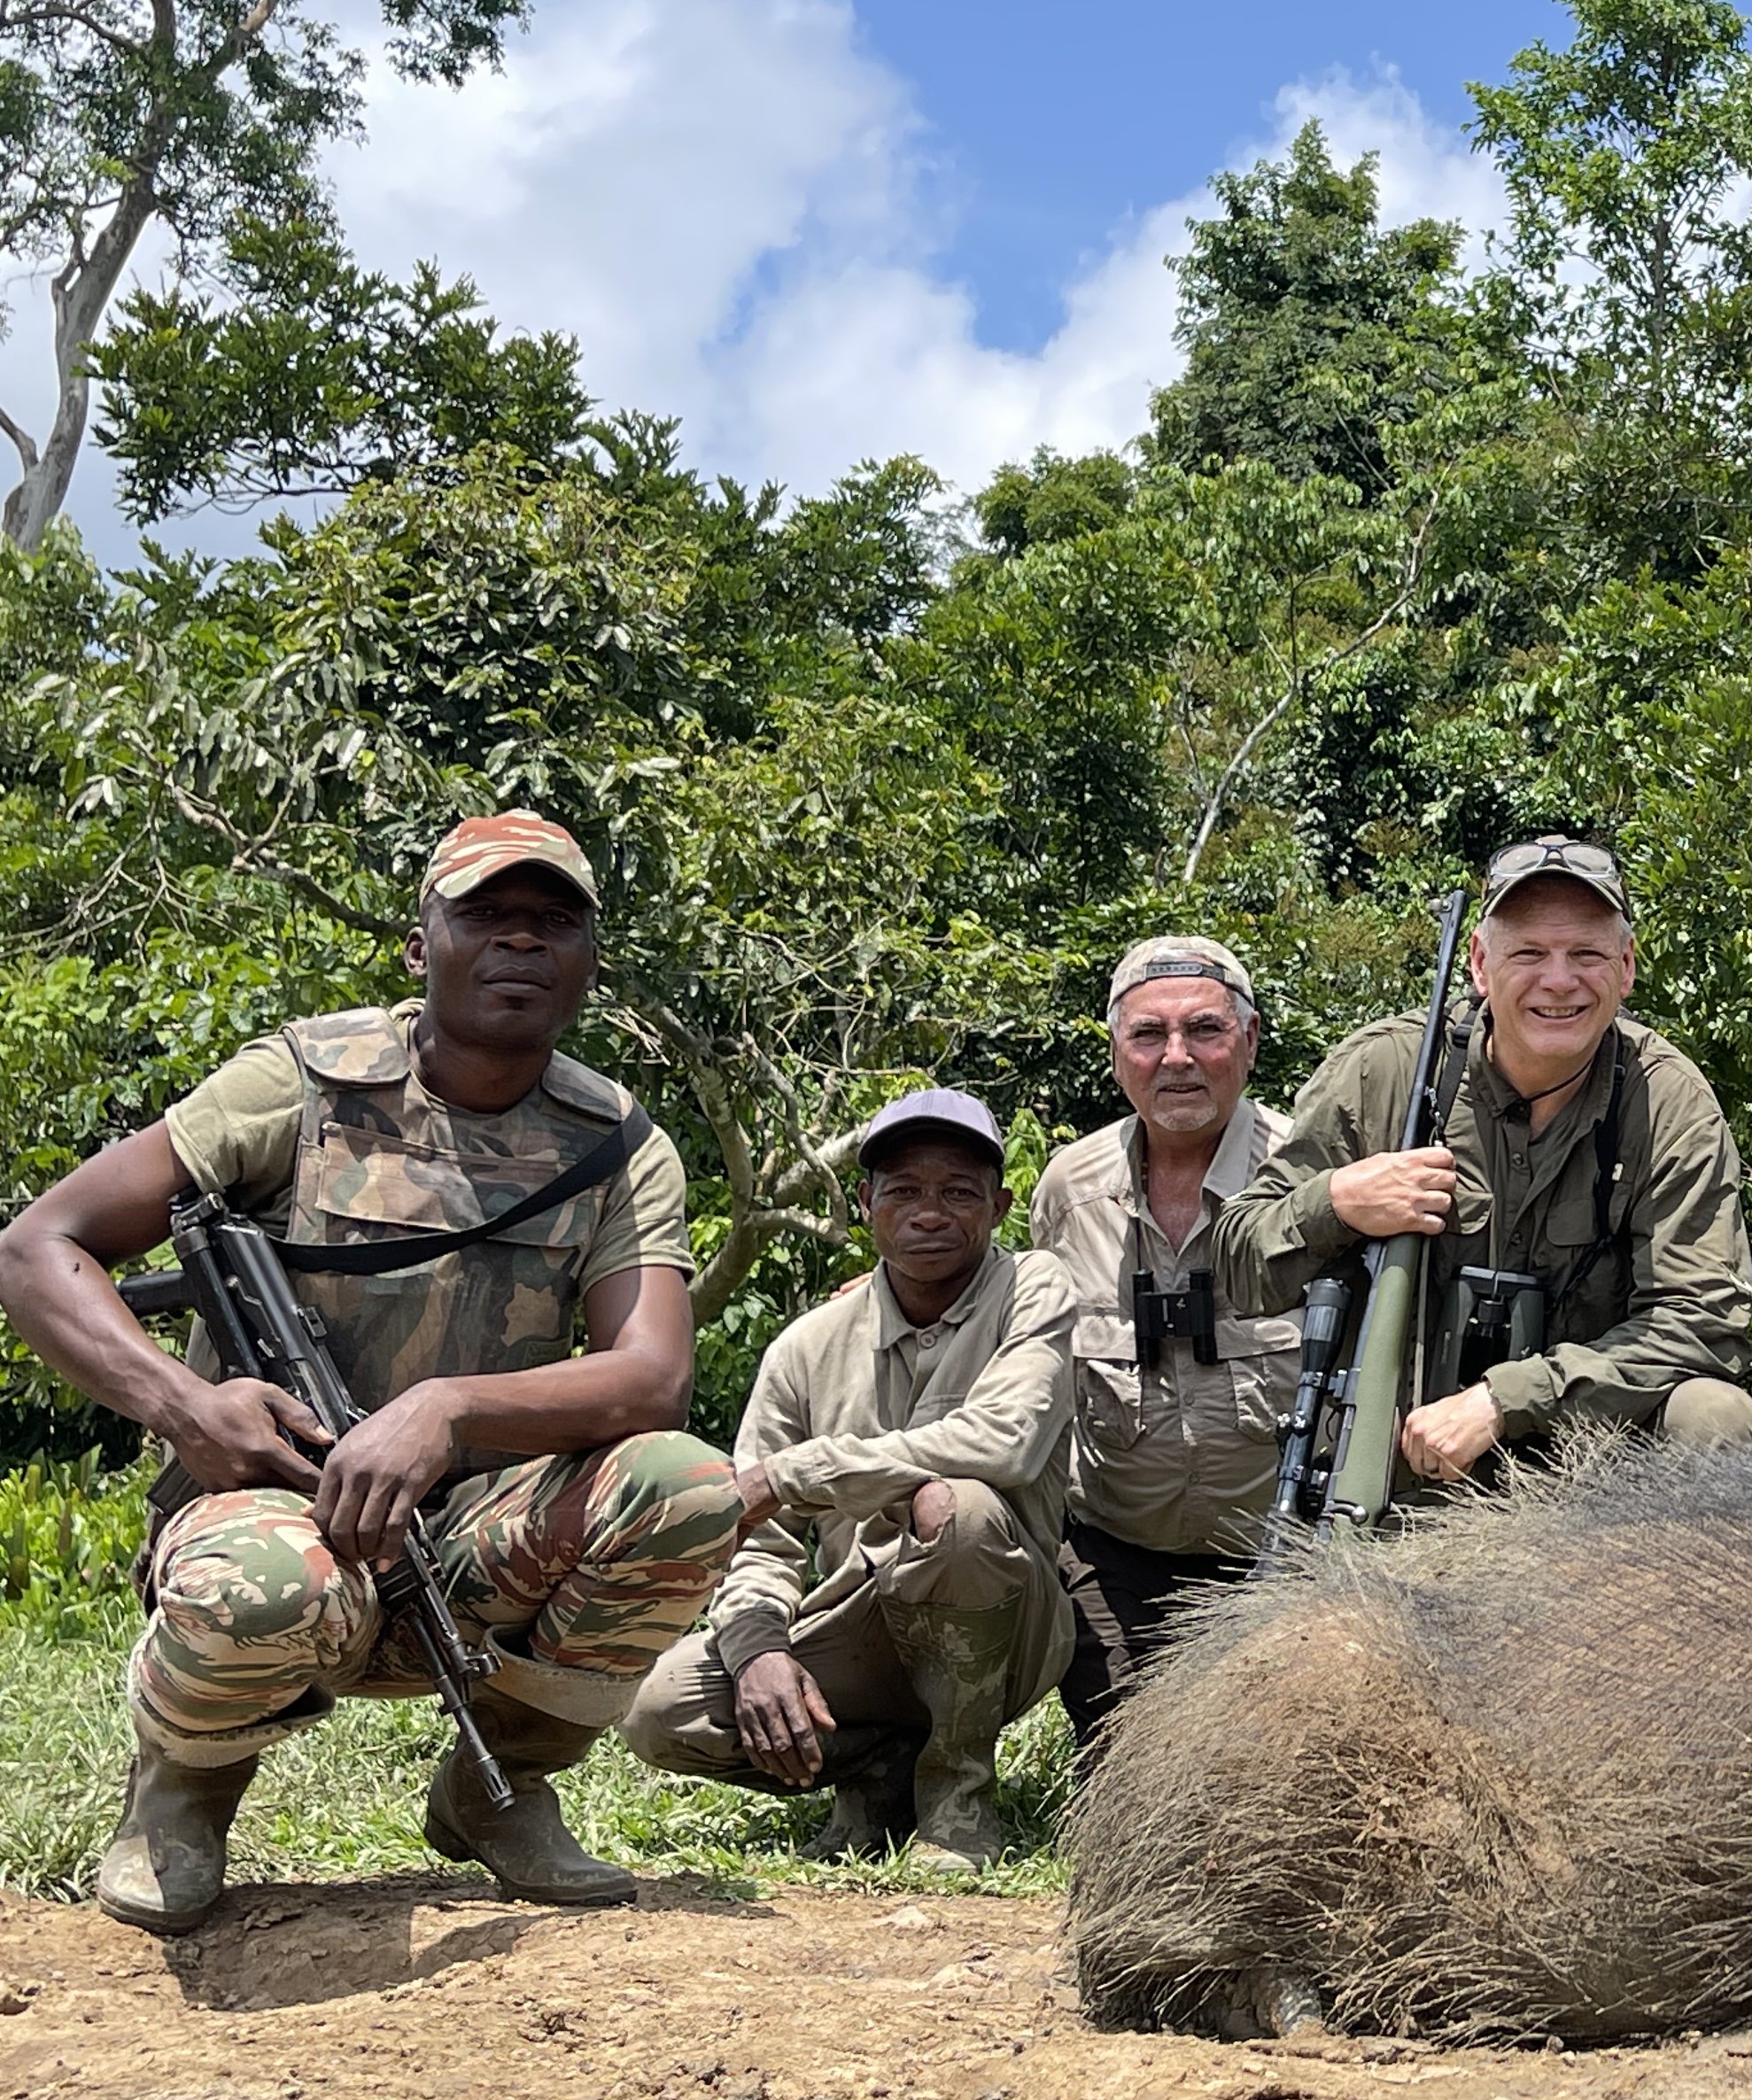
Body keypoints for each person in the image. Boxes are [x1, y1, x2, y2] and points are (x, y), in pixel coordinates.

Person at [0, 813, 733, 1933]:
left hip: (476, 1534)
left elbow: (651, 1378)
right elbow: (39, 1246)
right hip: (275, 1505)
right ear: (419, 941)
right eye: (486, 915)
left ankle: (500, 1789)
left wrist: (444, 1408)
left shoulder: (617, 1142)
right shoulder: (296, 1084)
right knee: (267, 1584)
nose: (521, 945)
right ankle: (182, 1789)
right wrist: (187, 1407)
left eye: (554, 923)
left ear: (590, 956)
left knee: (686, 1486)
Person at [623, 1089, 1074, 1871]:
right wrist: (760, 1649)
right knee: (659, 1709)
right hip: (858, 1618)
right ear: (865, 1203)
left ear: (1000, 1205)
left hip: (1007, 1617)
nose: (929, 1213)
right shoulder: (805, 1347)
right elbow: (755, 1537)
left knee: (957, 1506)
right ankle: (877, 1768)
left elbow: (1006, 1443)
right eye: (903, 1190)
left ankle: (957, 1799)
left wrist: (801, 1471)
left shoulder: (1033, 1288)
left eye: (958, 1191)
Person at [1218, 834, 1752, 1475]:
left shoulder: (1667, 1098)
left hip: (1595, 1470)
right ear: (1478, 963)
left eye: (1586, 953)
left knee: (1715, 1414)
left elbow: (1705, 1324)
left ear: (1627, 966)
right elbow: (1238, 1263)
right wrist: (1338, 1203)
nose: (1559, 981)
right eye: (1528, 953)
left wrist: (1508, 1401)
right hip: (1405, 1465)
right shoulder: (1386, 1071)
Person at [1025, 935, 1304, 1749]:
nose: (1176, 1058)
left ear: (1249, 1041)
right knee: (1132, 1766)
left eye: (1206, 1031)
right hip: (1118, 1558)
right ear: (1116, 1054)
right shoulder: (1069, 1191)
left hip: (1281, 1562)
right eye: (1149, 1035)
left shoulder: (1309, 1175)